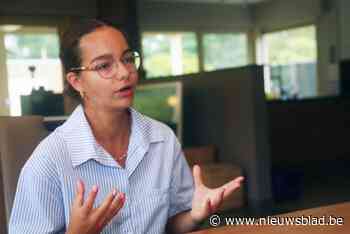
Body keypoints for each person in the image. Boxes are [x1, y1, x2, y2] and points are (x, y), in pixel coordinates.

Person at [9, 19, 244, 234]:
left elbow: (171, 224)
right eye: (104, 66)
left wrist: (194, 215)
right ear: (77, 81)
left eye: (128, 59)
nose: (124, 73)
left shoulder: (162, 139)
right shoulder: (49, 161)